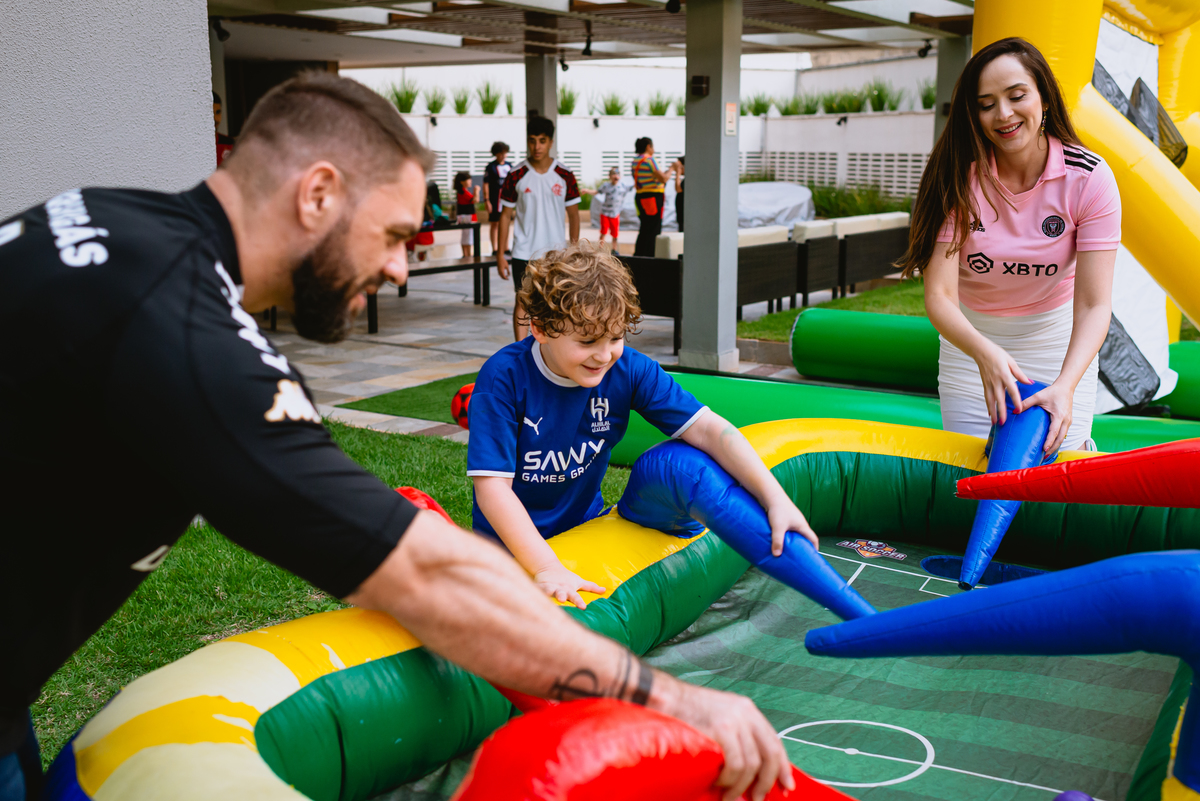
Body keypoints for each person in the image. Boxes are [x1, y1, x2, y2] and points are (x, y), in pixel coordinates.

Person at [0, 73, 794, 801]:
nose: (400, 272)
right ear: (318, 194)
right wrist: (669, 697)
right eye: (391, 235)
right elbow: (420, 571)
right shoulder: (186, 338)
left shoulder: (108, 217)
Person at [467, 243, 819, 611]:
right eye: (587, 341)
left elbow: (710, 430)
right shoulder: (504, 378)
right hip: (507, 549)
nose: (604, 355)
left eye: (616, 338)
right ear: (539, 328)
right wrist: (545, 566)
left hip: (583, 530)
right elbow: (493, 489)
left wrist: (775, 498)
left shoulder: (627, 369)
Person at [898, 37, 1119, 455]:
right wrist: (985, 353)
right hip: (972, 343)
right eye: (986, 104)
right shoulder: (954, 176)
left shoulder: (1089, 178)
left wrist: (1065, 385)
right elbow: (940, 296)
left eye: (1017, 96)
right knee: (971, 473)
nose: (1003, 114)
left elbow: (1094, 305)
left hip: (1056, 342)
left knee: (1057, 475)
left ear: (1045, 98)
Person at [496, 116, 581, 341]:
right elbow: (505, 216)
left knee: (555, 305)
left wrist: (573, 251)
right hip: (523, 252)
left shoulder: (565, 174)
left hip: (556, 254)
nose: (537, 147)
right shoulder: (516, 174)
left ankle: (551, 352)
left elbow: (574, 215)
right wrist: (500, 254)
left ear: (550, 142)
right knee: (522, 302)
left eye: (542, 141)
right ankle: (520, 352)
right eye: (532, 140)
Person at [631, 137, 669, 256]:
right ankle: (650, 255)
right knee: (654, 228)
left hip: (640, 196)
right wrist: (672, 169)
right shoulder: (650, 160)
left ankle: (640, 254)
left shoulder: (635, 161)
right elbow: (663, 178)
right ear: (648, 146)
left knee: (645, 227)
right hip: (653, 197)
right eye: (652, 146)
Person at [579, 167, 630, 252]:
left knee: (615, 233)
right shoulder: (606, 186)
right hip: (605, 213)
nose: (615, 177)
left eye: (617, 175)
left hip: (615, 213)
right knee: (603, 232)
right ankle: (600, 249)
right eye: (613, 175)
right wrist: (587, 190)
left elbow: (635, 186)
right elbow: (596, 192)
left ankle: (614, 249)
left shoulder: (623, 186)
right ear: (610, 177)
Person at [482, 141, 512, 256]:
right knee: (495, 223)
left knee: (506, 222)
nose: (502, 156)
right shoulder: (491, 167)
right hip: (495, 198)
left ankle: (505, 247)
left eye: (504, 153)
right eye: (500, 153)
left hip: (506, 198)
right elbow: (485, 184)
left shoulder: (510, 166)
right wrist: (487, 200)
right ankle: (494, 248)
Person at [453, 170, 480, 258]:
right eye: (468, 180)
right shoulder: (462, 192)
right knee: (467, 237)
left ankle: (467, 253)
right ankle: (466, 254)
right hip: (467, 217)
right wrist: (476, 191)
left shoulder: (464, 191)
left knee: (468, 236)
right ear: (462, 182)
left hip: (468, 216)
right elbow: (475, 200)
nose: (470, 181)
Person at [213, 90, 236, 167]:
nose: (215, 118)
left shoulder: (230, 144)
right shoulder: (194, 146)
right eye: (211, 113)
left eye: (218, 112)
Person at [672, 155, 685, 233]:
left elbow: (678, 189)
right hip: (681, 212)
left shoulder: (686, 181)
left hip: (683, 213)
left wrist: (678, 173)